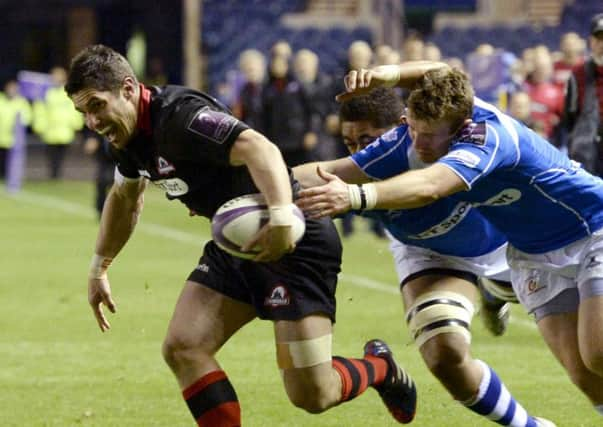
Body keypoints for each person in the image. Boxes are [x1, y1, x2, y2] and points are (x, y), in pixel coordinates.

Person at [65, 44, 416, 426]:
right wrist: (99, 267)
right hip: (236, 240)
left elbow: (259, 148)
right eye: (83, 112)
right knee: (184, 347)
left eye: (96, 106)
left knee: (313, 394)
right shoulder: (128, 138)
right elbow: (125, 196)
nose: (92, 122)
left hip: (295, 240)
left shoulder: (182, 117)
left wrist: (282, 218)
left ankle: (381, 367)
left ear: (129, 89)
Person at [296, 60, 603, 420]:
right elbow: (441, 70)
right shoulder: (417, 132)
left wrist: (356, 197)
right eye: (413, 129)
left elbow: (431, 185)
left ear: (459, 128)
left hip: (591, 228)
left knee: (597, 351)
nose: (418, 142)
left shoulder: (487, 141)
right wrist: (390, 75)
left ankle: (495, 289)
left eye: (429, 136)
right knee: (584, 373)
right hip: (532, 254)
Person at [563, 13, 603, 176]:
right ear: (591, 41)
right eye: (598, 38)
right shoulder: (578, 73)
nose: (602, 44)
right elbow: (570, 116)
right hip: (588, 153)